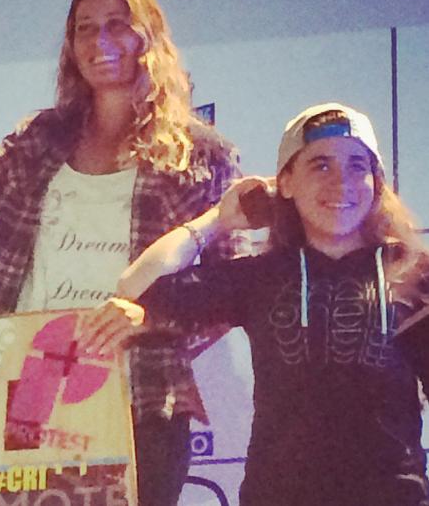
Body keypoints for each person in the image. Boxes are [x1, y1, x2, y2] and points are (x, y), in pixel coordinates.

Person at [0, 0, 245, 505]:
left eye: (117, 25)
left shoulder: (203, 154)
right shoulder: (41, 137)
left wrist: (152, 319)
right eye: (84, 28)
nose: (99, 42)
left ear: (149, 35)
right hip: (27, 388)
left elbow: (228, 290)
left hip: (140, 394)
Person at [96, 103, 429, 505]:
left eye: (358, 166)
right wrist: (218, 219)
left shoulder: (415, 273)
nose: (341, 181)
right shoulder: (262, 276)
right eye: (320, 165)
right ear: (285, 182)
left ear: (376, 182)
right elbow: (136, 285)